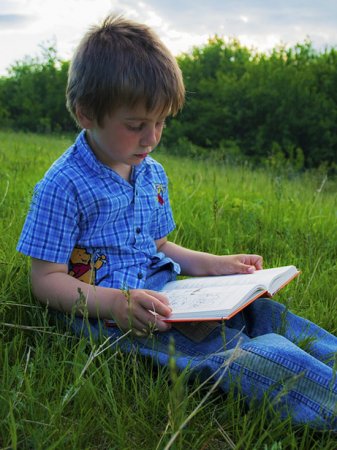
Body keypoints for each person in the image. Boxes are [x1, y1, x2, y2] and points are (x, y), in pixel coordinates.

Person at [17, 15, 337, 430]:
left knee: (264, 315)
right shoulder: (63, 186)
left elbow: (160, 247)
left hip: (168, 294)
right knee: (233, 351)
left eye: (161, 123)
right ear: (86, 114)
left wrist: (216, 264)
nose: (151, 138)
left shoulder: (150, 172)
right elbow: (44, 280)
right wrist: (115, 302)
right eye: (135, 126)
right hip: (119, 316)